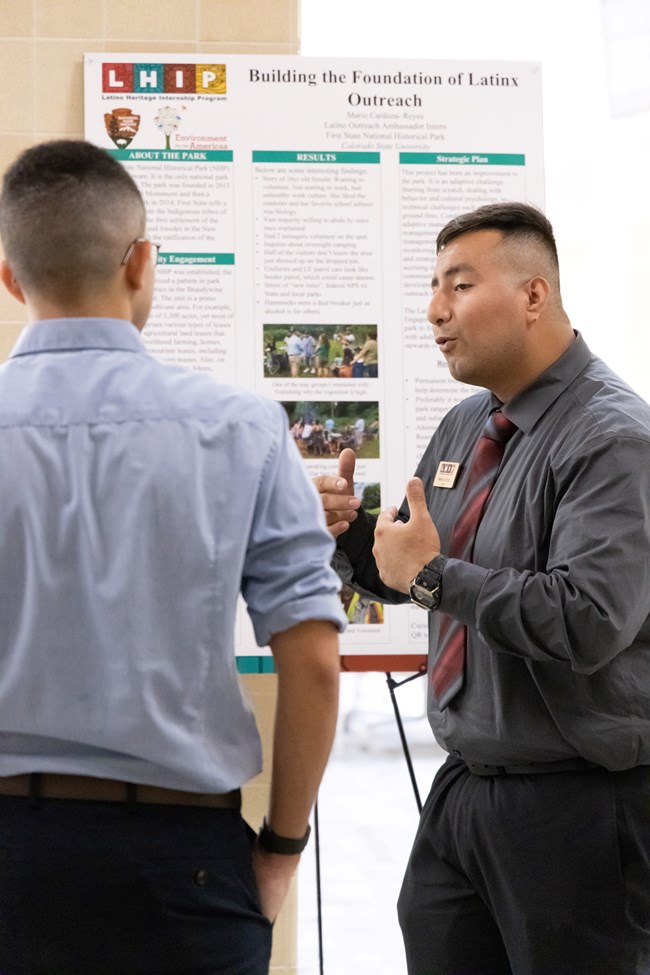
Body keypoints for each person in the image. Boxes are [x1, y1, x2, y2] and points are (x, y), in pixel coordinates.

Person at [0, 139, 346, 975]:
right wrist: (281, 849)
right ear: (140, 262)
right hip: (182, 859)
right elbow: (313, 662)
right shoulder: (241, 427)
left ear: (10, 278)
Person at [315, 201, 650, 975]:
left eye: (459, 286)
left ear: (534, 295)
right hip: (464, 794)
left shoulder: (613, 439)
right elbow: (417, 562)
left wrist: (433, 576)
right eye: (434, 287)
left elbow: (589, 619)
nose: (435, 311)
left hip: (578, 808)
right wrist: (351, 535)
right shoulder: (467, 425)